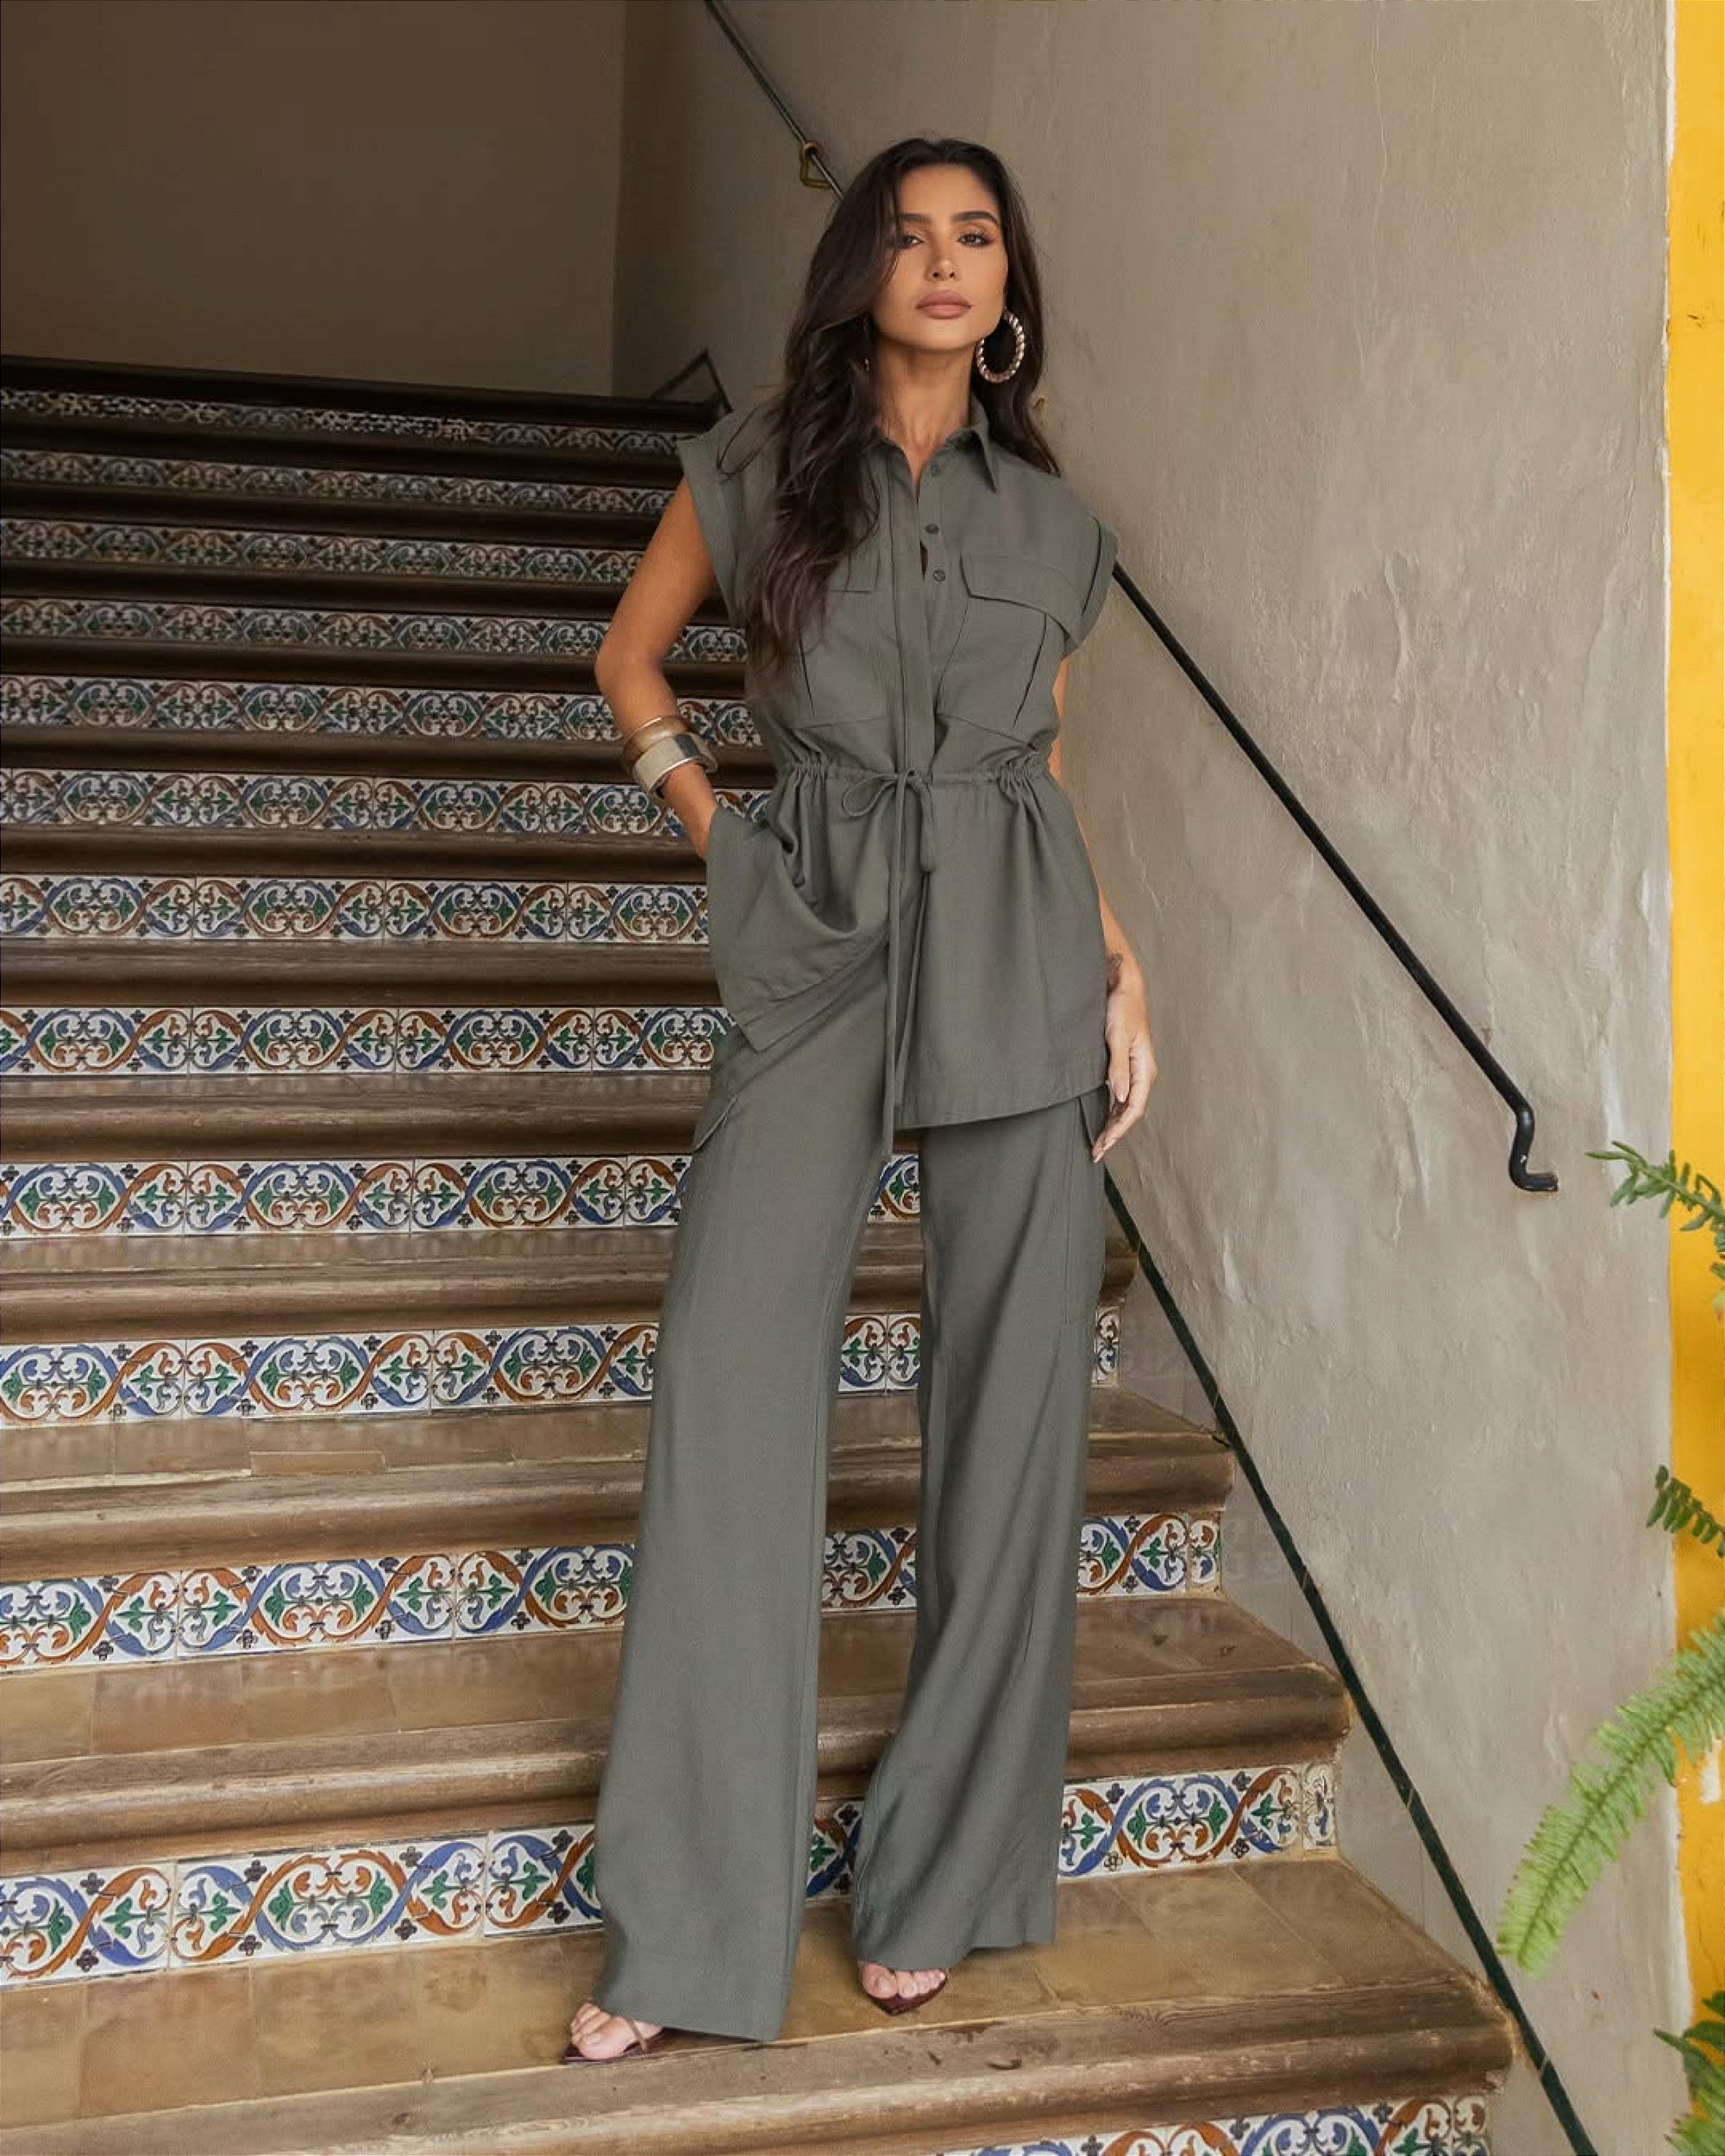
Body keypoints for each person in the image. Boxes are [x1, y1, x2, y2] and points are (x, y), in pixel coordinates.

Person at [566, 136, 1157, 2063]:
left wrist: (1120, 961)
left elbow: (1035, 764)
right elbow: (628, 660)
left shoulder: (1053, 521)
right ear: (858, 271)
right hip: (814, 926)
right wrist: (720, 833)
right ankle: (684, 1926)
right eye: (908, 234)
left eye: (978, 235)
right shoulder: (753, 467)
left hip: (1018, 939)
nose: (945, 261)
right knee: (731, 1374)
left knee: (1014, 1402)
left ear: (1009, 289)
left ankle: (941, 1880)